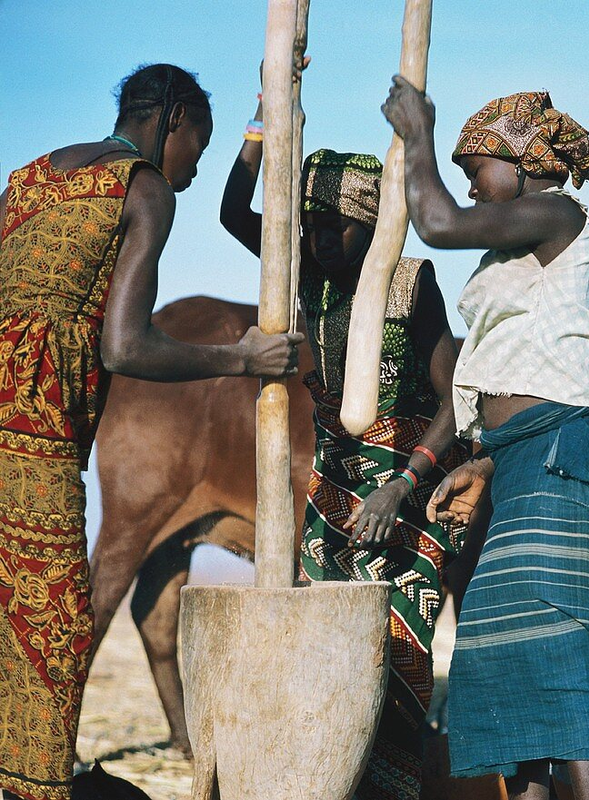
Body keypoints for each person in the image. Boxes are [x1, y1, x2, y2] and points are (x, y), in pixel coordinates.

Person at [0, 64, 302, 800]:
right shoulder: (144, 188)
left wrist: (261, 128)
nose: (193, 170)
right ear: (172, 121)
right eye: (195, 147)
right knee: (57, 624)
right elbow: (125, 347)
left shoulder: (29, 178)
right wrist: (240, 358)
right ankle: (33, 785)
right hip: (33, 429)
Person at [382, 82, 589, 800]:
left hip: (565, 457)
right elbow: (501, 368)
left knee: (558, 665)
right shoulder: (511, 255)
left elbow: (433, 221)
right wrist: (484, 459)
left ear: (524, 161)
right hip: (523, 463)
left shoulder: (558, 214)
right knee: (503, 673)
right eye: (459, 171)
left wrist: (419, 133)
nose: (468, 185)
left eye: (476, 168)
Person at [220, 88, 467, 800]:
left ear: (370, 225)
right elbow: (236, 213)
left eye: (338, 227)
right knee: (318, 657)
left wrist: (406, 481)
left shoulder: (411, 284)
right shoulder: (305, 274)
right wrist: (263, 121)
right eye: (311, 224)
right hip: (332, 490)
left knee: (398, 660)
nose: (321, 239)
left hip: (408, 492)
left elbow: (455, 397)